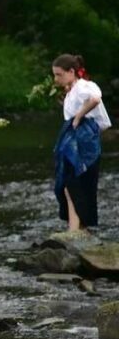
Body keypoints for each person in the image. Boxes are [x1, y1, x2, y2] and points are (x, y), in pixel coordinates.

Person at [52, 53, 111, 230]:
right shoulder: (72, 91)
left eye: (59, 75)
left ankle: (76, 227)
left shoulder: (85, 85)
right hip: (74, 139)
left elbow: (95, 99)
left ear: (72, 71)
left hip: (83, 141)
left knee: (76, 182)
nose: (56, 79)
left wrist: (78, 117)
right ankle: (75, 226)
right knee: (69, 184)